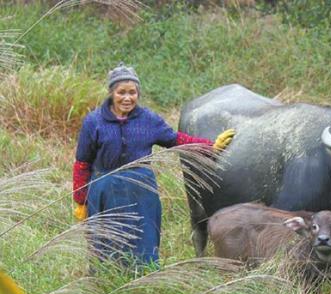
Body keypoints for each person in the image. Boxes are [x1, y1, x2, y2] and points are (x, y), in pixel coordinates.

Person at [72, 62, 234, 268]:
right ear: (111, 93)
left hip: (141, 191)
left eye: (133, 92)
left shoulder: (148, 119)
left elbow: (176, 140)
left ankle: (143, 281)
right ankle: (106, 283)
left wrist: (211, 147)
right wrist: (80, 200)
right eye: (121, 92)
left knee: (144, 241)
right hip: (105, 190)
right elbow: (82, 163)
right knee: (105, 246)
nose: (127, 98)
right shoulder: (93, 122)